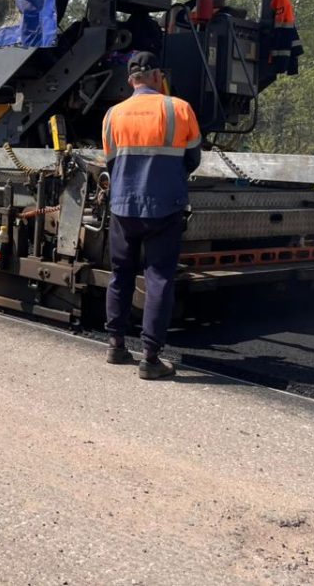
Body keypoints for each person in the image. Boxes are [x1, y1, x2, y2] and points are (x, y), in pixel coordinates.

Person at [102, 51, 202, 380]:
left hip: (123, 206)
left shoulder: (112, 115)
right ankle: (150, 358)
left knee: (121, 275)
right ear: (158, 76)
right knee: (158, 277)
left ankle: (116, 346)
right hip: (165, 205)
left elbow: (111, 163)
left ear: (130, 80)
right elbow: (193, 158)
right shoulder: (179, 108)